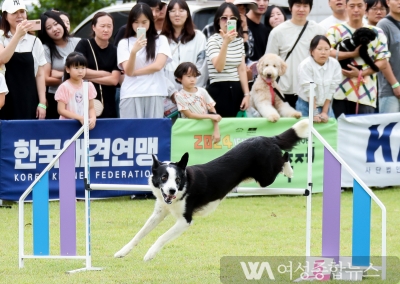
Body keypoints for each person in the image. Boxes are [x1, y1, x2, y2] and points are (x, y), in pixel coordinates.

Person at [326, 0, 390, 118]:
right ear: (346, 6)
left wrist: (361, 73)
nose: (356, 10)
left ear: (365, 7)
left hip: (366, 93)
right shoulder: (335, 30)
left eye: (359, 6)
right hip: (339, 91)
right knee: (341, 132)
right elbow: (327, 52)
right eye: (352, 6)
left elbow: (383, 61)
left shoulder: (377, 32)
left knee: (364, 134)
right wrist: (352, 54)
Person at [266, 0, 326, 109]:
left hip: (310, 91)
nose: (301, 9)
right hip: (284, 90)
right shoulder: (277, 32)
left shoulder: (319, 30)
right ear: (290, 7)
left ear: (310, 8)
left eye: (305, 5)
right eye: (298, 5)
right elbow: (269, 62)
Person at [117, 3, 172, 118]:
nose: (139, 26)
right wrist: (133, 52)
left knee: (152, 133)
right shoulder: (124, 43)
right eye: (136, 22)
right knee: (131, 133)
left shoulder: (161, 40)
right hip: (131, 94)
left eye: (144, 22)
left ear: (150, 22)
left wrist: (135, 73)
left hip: (154, 92)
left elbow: (158, 65)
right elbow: (128, 69)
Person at [0, 0, 47, 120]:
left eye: (22, 12)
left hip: (29, 99)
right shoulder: (1, 38)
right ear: (5, 16)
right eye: (14, 12)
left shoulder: (35, 41)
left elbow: (40, 74)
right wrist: (17, 35)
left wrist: (42, 102)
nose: (19, 15)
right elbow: (3, 59)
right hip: (5, 98)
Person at [206, 2, 250, 117]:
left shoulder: (239, 40)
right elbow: (219, 67)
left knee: (237, 130)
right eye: (224, 18)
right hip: (218, 89)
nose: (227, 21)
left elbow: (241, 69)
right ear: (218, 20)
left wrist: (246, 94)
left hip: (236, 89)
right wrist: (225, 43)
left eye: (232, 18)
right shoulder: (213, 40)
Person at [75, 12, 119, 118]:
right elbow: (77, 71)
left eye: (109, 26)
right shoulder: (84, 45)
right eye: (102, 26)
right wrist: (104, 74)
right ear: (93, 27)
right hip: (84, 101)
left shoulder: (115, 50)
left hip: (108, 103)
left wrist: (88, 77)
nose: (106, 30)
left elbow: (114, 80)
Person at [38, 10, 80, 119]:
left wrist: (58, 74)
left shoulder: (78, 43)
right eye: (49, 28)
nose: (54, 29)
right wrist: (72, 76)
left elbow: (86, 71)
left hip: (79, 96)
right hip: (56, 97)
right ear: (45, 32)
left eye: (56, 24)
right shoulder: (46, 49)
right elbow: (46, 79)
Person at [162, 0, 208, 99]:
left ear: (187, 14)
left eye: (181, 10)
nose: (177, 14)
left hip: (193, 96)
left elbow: (202, 66)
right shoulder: (161, 39)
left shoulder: (199, 37)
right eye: (173, 11)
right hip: (167, 98)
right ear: (168, 14)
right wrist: (172, 93)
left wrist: (190, 90)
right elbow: (159, 70)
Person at [296, 35, 342, 123]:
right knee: (305, 134)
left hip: (325, 105)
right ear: (311, 51)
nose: (323, 52)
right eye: (319, 49)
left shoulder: (334, 64)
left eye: (326, 49)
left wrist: (325, 112)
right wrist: (314, 113)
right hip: (306, 105)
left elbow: (332, 89)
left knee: (328, 133)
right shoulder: (305, 65)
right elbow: (309, 90)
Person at [174, 62, 221, 144]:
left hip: (205, 128)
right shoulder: (179, 95)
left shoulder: (202, 91)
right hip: (189, 130)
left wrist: (216, 130)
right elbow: (190, 115)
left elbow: (213, 112)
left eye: (194, 76)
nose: (192, 79)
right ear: (179, 78)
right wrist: (210, 117)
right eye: (189, 76)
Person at [55, 52, 97, 129]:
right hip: (66, 126)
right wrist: (80, 118)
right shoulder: (64, 87)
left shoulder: (89, 85)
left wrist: (93, 119)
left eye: (83, 68)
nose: (80, 71)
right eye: (76, 68)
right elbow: (61, 110)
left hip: (84, 126)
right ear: (67, 69)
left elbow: (91, 107)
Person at [377, 0, 400, 113]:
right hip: (390, 90)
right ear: (388, 2)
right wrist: (395, 85)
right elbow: (382, 59)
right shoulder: (383, 25)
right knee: (389, 129)